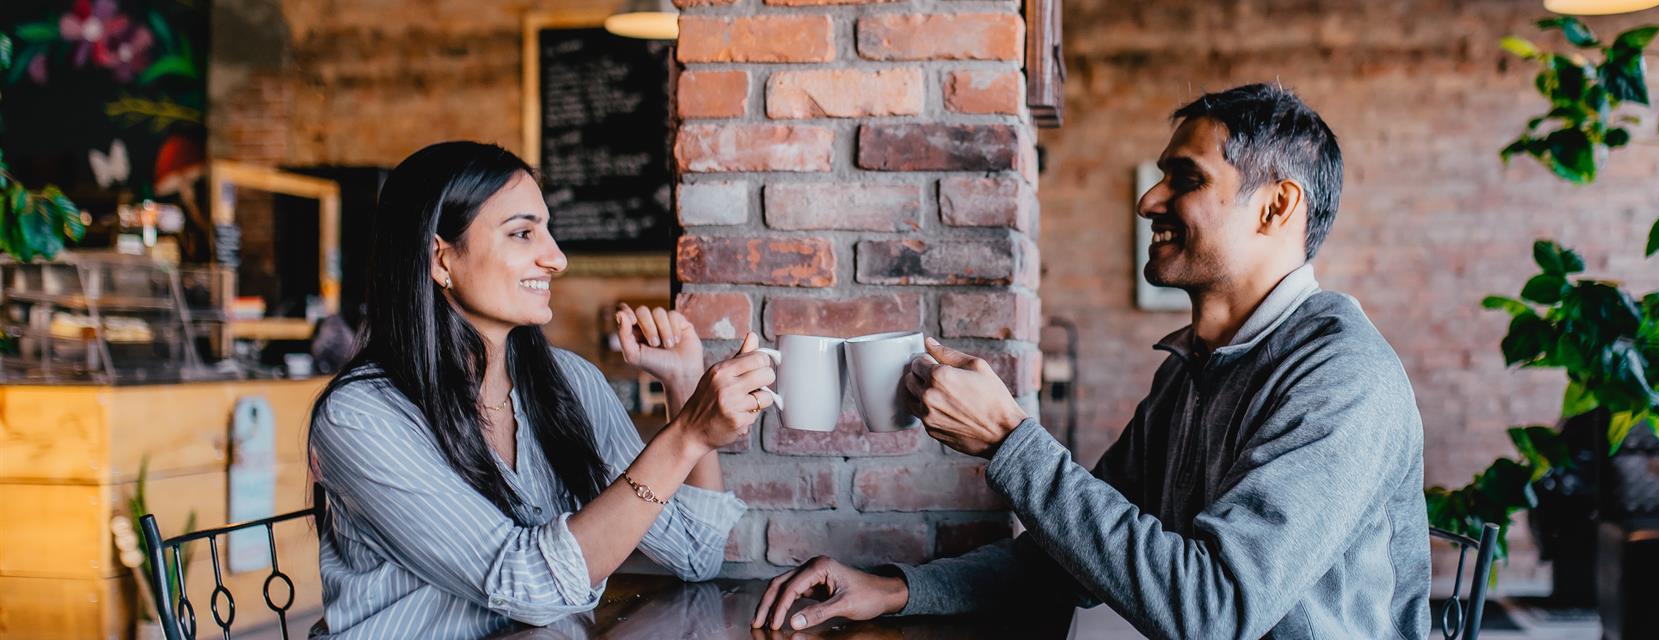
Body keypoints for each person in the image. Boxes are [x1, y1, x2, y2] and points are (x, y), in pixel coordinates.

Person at [753, 83, 1432, 639]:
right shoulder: (1190, 372)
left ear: (1277, 207)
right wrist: (898, 590)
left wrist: (1011, 443)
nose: (1148, 201)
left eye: (1184, 178)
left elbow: (1213, 610)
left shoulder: (1342, 380)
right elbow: (1060, 563)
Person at [307, 141, 772, 639]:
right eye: (523, 233)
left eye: (547, 232)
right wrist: (684, 437)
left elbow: (694, 555)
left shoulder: (571, 383)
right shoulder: (361, 416)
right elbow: (527, 583)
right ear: (440, 259)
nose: (557, 259)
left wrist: (683, 386)